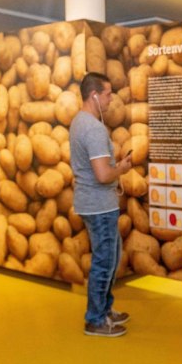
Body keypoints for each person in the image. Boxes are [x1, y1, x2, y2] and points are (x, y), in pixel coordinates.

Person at [69, 72, 133, 337]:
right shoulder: (93, 128)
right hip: (99, 205)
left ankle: (105, 310)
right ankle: (94, 319)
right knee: (104, 262)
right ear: (94, 95)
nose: (111, 99)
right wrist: (122, 168)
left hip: (94, 203)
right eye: (107, 94)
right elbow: (103, 174)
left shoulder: (79, 122)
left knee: (110, 257)